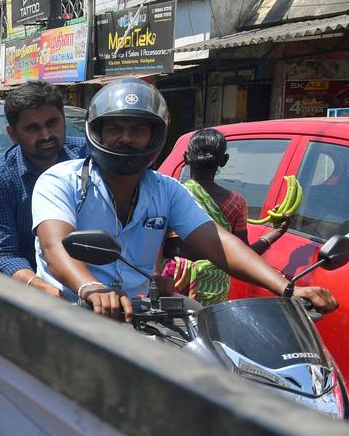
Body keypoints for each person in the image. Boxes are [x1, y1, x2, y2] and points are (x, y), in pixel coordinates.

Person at [30, 78, 337, 321]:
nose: (126, 139)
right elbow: (55, 246)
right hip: (67, 316)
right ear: (97, 132)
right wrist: (92, 288)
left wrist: (288, 288)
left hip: (136, 319)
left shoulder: (168, 189)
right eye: (115, 129)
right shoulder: (61, 180)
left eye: (138, 129)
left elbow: (217, 242)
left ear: (155, 137)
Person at [0, 81, 89, 296]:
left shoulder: (88, 156)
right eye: (33, 128)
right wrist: (42, 287)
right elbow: (4, 254)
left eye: (53, 123)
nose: (46, 135)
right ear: (13, 133)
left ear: (64, 120)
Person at [161, 129, 289, 306]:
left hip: (172, 285)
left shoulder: (172, 195)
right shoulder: (235, 202)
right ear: (224, 160)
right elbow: (244, 256)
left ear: (185, 157)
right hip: (215, 291)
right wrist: (275, 233)